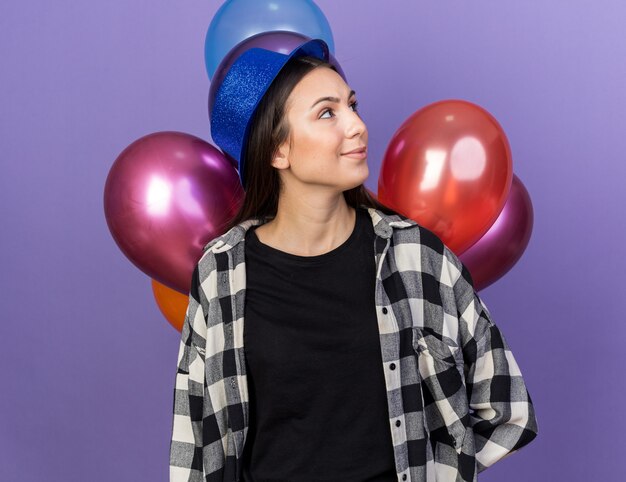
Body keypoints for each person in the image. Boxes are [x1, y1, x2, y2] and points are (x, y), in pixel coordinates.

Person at [169, 38, 538, 482]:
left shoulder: (414, 255)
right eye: (327, 113)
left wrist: (437, 471)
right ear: (276, 150)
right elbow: (194, 445)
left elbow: (507, 407)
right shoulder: (221, 273)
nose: (357, 126)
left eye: (352, 105)